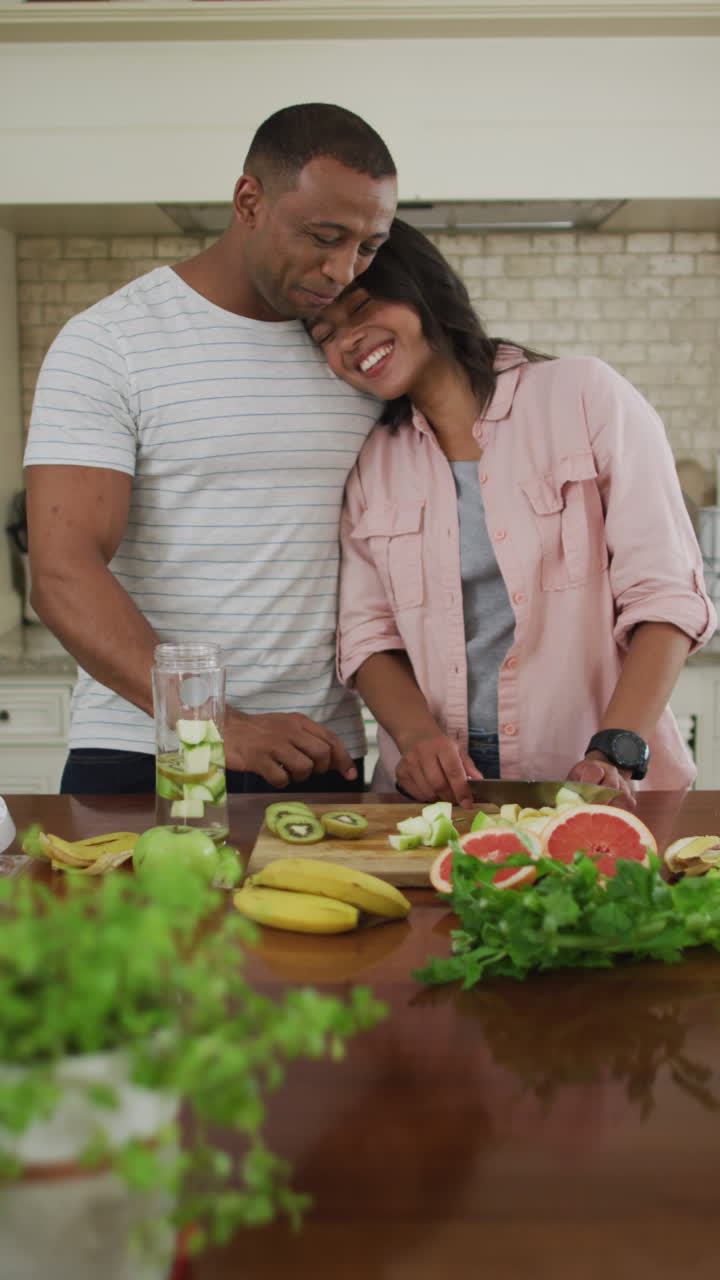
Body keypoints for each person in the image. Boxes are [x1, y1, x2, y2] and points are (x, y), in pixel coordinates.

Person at [24, 103, 398, 796]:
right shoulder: (111, 342)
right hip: (149, 750)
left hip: (319, 754)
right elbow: (61, 571)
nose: (342, 268)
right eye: (322, 235)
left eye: (369, 246)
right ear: (248, 200)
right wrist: (218, 725)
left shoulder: (359, 355)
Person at [307, 218, 716, 806]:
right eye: (325, 332)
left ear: (425, 291)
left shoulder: (584, 395)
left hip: (595, 771)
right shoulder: (374, 461)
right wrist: (419, 740)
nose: (348, 339)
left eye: (365, 306)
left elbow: (666, 595)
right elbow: (368, 635)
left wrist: (615, 748)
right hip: (441, 794)